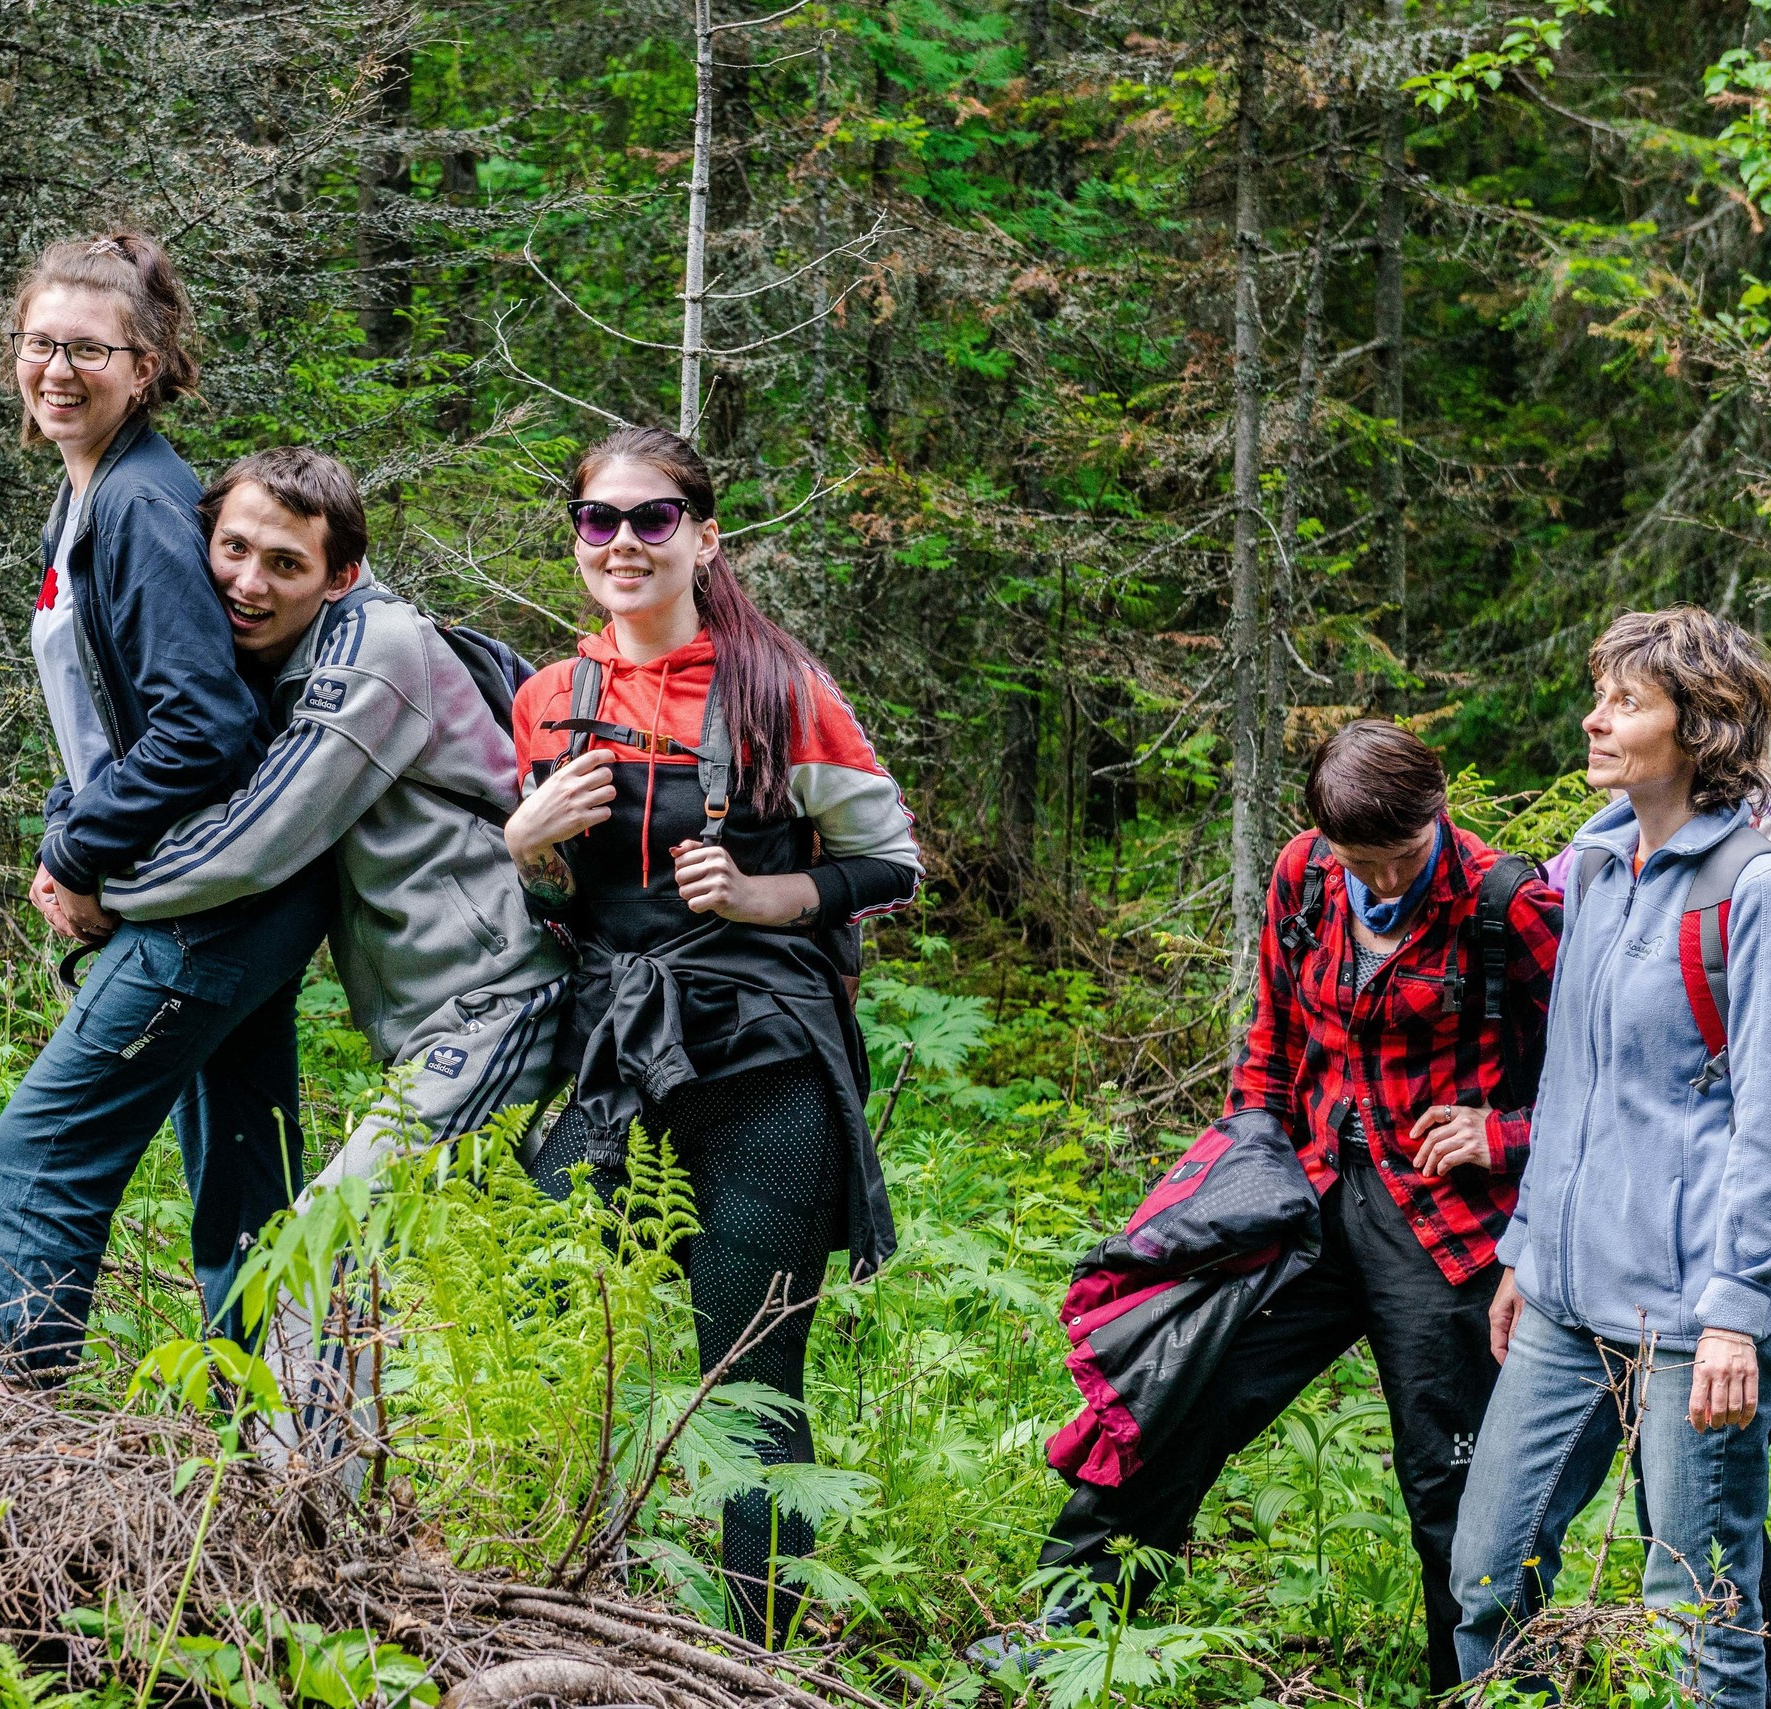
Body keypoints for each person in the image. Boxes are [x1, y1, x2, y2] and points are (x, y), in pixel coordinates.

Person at [1024, 719, 1560, 1693]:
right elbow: (1273, 1032)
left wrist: (1504, 1134)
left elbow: (1594, 1073)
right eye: (1363, 860)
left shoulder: (1505, 901)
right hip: (1304, 1193)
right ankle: (1062, 1637)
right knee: (1175, 1391)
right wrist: (1243, 1169)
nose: (1384, 881)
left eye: (1403, 855)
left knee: (1451, 1482)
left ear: (1437, 811)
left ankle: (1486, 1688)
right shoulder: (1304, 874)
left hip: (1445, 1230)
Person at [505, 426, 922, 1646]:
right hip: (614, 1057)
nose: (623, 542)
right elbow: (534, 906)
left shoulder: (779, 690)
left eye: (653, 518)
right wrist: (521, 838)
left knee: (749, 1375)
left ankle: (753, 1655)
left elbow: (890, 862)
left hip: (760, 1060)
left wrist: (762, 893)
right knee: (569, 1340)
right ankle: (572, 1616)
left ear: (704, 537)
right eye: (599, 520)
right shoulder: (548, 698)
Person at [0, 228, 336, 1374]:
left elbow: (203, 728)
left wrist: (78, 853)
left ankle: (18, 1438)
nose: (57, 370)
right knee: (245, 1185)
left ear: (144, 366)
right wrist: (66, 832)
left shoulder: (137, 502)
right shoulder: (90, 495)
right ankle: (284, 1444)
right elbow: (107, 718)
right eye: (39, 343)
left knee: (35, 1159)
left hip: (210, 904)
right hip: (231, 888)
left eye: (89, 349)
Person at [1453, 608, 1771, 1709]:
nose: (1595, 718)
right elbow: (1570, 1081)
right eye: (1599, 695)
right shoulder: (1595, 860)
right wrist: (1526, 1249)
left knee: (1697, 1610)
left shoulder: (1763, 890)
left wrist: (1735, 1314)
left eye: (1626, 701)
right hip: (1564, 1301)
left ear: (1699, 726)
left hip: (1693, 1320)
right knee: (1485, 1574)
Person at [103, 447, 570, 1192]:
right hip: (437, 1020)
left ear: (340, 577)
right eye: (234, 549)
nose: (249, 582)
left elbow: (259, 839)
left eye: (285, 564)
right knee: (505, 1243)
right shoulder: (292, 654)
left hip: (499, 1003)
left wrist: (102, 885)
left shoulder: (371, 652)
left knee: (327, 1238)